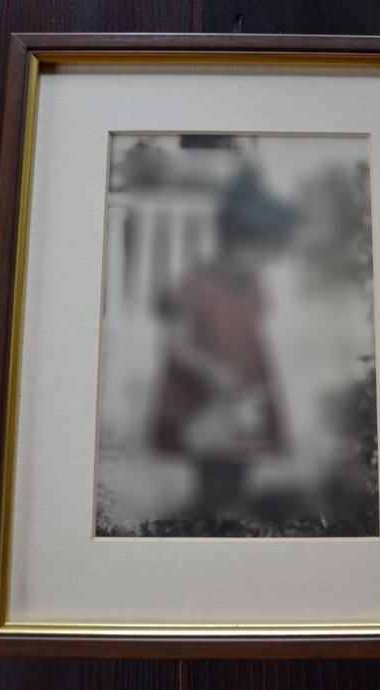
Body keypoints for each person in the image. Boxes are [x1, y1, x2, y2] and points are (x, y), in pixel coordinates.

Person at [149, 164, 297, 511]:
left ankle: (230, 511)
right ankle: (207, 513)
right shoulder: (197, 284)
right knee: (212, 458)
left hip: (245, 393)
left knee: (242, 460)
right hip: (205, 395)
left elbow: (250, 330)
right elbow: (176, 344)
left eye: (268, 254)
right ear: (229, 241)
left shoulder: (253, 287)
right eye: (255, 252)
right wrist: (209, 368)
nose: (261, 263)